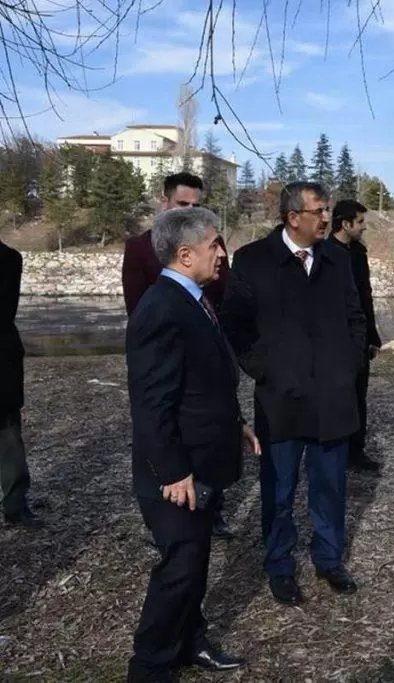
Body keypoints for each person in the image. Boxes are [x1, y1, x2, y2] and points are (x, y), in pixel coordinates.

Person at [125, 207, 260, 682]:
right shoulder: (161, 308)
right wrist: (172, 471)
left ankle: (189, 641)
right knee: (178, 570)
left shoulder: (194, 299)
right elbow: (151, 404)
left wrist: (236, 422)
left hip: (203, 458)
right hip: (176, 473)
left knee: (194, 562)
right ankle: (150, 666)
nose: (223, 254)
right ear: (185, 254)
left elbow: (206, 380)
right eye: (215, 245)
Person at [220, 181, 367, 606]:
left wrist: (347, 366)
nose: (326, 217)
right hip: (280, 400)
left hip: (332, 400)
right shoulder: (252, 260)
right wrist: (266, 370)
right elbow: (235, 325)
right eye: (319, 210)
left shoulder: (338, 260)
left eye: (328, 209)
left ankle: (329, 558)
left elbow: (356, 317)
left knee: (330, 487)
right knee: (279, 490)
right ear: (293, 217)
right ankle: (280, 565)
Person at [122, 171, 234, 539]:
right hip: (172, 350)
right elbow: (140, 311)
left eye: (196, 204)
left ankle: (207, 511)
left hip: (205, 343)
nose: (190, 209)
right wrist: (171, 469)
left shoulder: (210, 247)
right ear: (164, 202)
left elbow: (221, 297)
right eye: (183, 203)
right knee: (181, 557)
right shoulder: (142, 252)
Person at [330, 199, 383, 473]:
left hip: (360, 338)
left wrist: (373, 335)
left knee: (358, 396)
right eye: (360, 222)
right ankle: (333, 450)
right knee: (335, 396)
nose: (364, 228)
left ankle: (355, 451)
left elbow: (366, 296)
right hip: (334, 340)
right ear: (345, 223)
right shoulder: (323, 253)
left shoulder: (359, 253)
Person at [0, 240, 40, 528]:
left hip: (3, 360)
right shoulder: (10, 258)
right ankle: (16, 505)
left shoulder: (9, 258)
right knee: (9, 437)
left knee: (9, 435)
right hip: (4, 356)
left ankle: (16, 504)